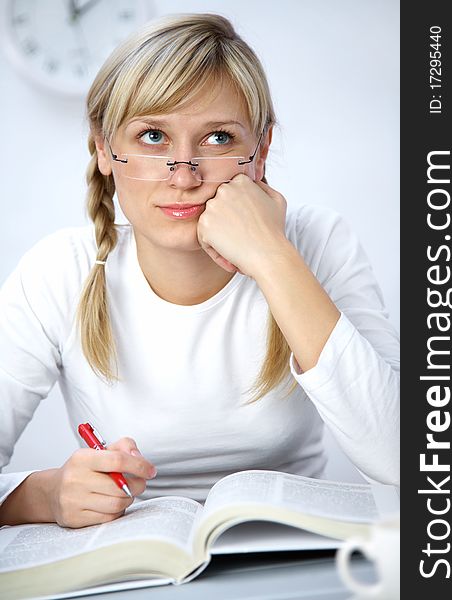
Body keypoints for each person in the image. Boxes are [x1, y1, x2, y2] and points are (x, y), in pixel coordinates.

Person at [0, 13, 399, 529]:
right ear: (104, 148)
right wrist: (45, 495)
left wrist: (273, 257)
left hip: (294, 558)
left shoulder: (317, 244)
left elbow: (409, 459)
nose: (184, 174)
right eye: (152, 136)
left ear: (260, 151)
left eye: (216, 139)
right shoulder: (58, 272)